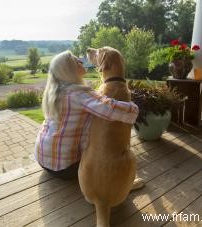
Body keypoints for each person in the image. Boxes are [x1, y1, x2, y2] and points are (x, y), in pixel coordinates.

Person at [34, 51, 139, 179]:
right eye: (76, 61)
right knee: (102, 156)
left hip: (42, 158)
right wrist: (134, 108)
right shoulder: (79, 94)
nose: (81, 61)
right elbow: (109, 109)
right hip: (64, 167)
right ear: (69, 70)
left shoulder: (54, 92)